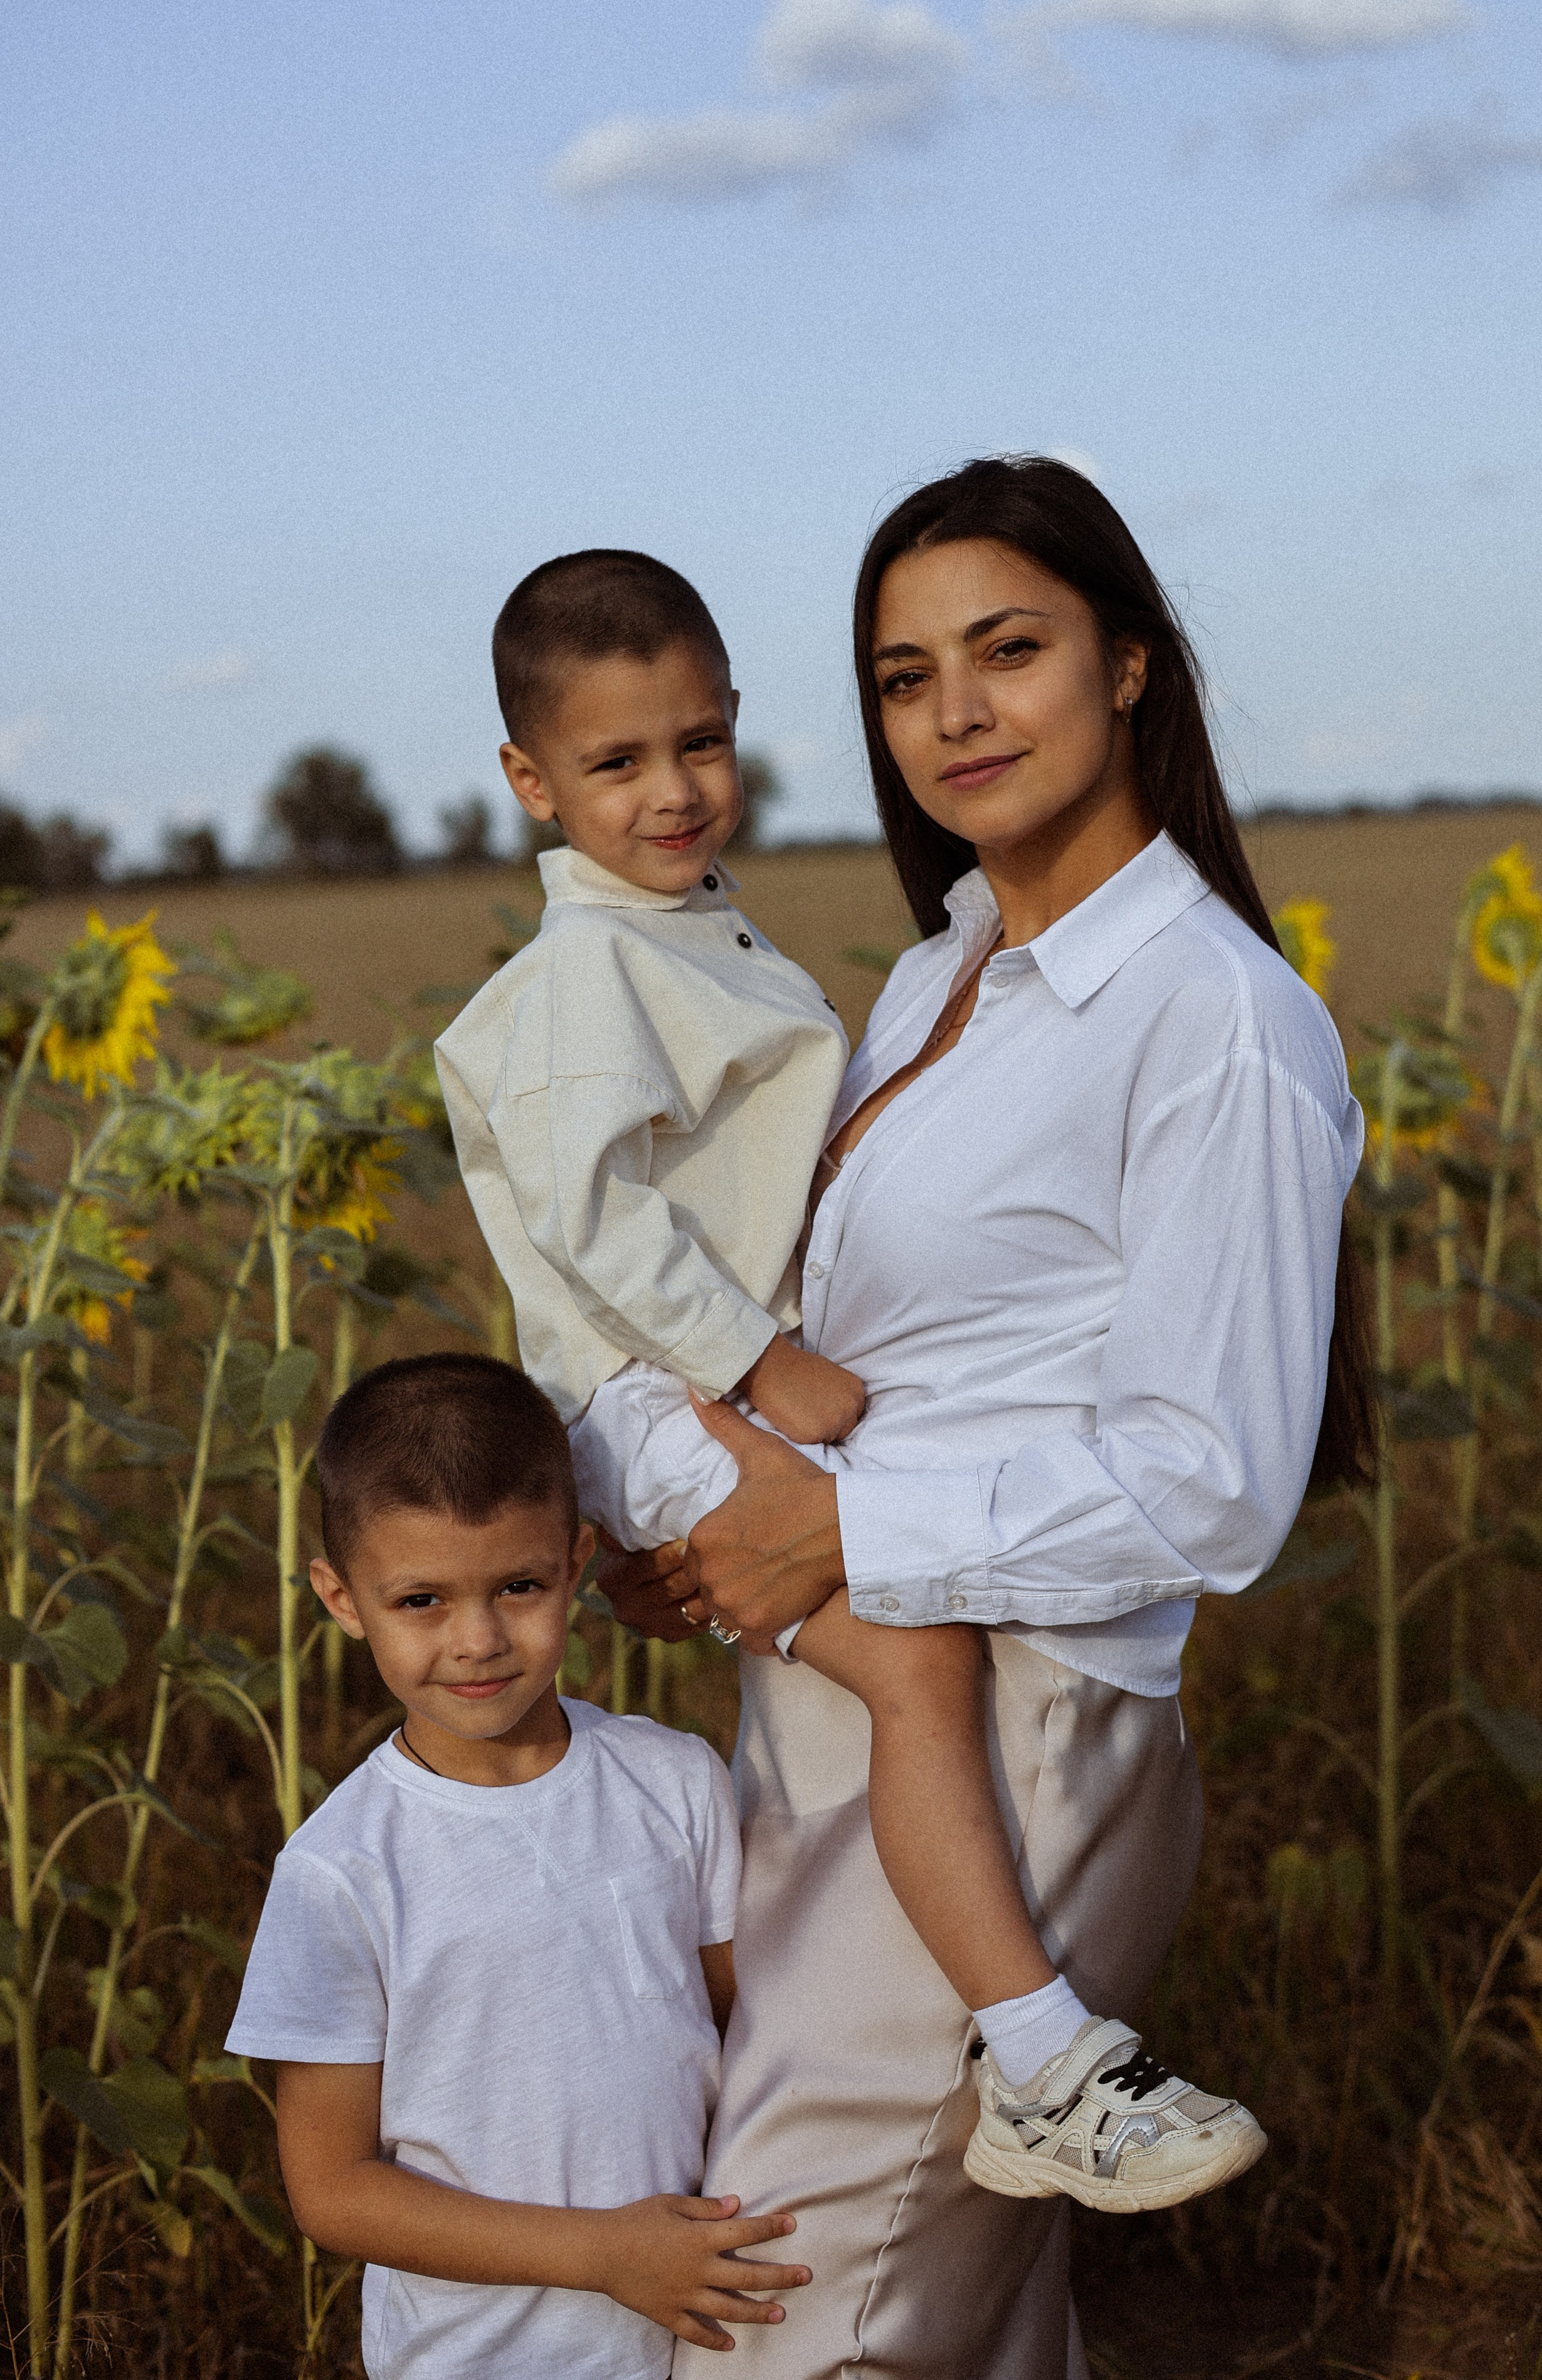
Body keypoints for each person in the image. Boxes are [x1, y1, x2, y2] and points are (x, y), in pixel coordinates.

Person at [599, 456, 1371, 2377]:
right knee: (967, 2318)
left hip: (1023, 1732)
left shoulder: (1214, 1015)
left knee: (799, 2317)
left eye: (1007, 650)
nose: (954, 711)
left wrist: (835, 1532)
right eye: (901, 673)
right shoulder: (945, 971)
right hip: (847, 1707)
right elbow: (886, 1358)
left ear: (1127, 664)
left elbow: (1214, 1488)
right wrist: (714, 1541)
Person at [433, 548, 1253, 2208]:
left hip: (696, 1393)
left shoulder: (690, 939)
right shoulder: (587, 980)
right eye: (617, 761)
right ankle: (1037, 2053)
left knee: (893, 1673)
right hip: (661, 1393)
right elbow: (595, 1216)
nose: (675, 791)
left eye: (702, 743)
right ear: (529, 781)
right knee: (916, 1665)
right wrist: (762, 1364)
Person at [224, 1354, 811, 2377]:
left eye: (521, 1584)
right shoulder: (343, 1869)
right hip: (476, 2356)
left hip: (700, 2343)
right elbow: (333, 2189)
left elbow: (738, 2033)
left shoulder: (675, 1781)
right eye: (421, 1601)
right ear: (341, 1596)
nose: (480, 1639)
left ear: (578, 1558)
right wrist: (603, 2254)